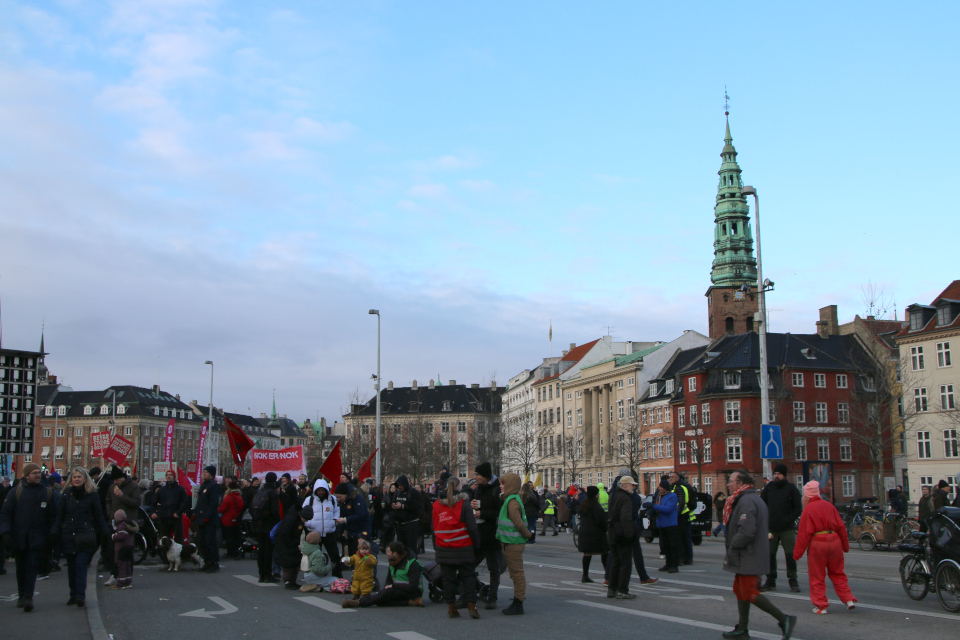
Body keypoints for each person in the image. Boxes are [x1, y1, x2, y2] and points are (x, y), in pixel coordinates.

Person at [721, 470, 797, 640]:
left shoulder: (746, 501)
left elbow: (746, 531)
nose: (728, 484)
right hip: (748, 554)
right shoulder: (749, 498)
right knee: (739, 590)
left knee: (748, 591)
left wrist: (733, 546)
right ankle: (742, 628)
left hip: (749, 554)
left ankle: (784, 619)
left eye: (731, 481)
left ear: (740, 484)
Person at [0, 462, 58, 612]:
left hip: (38, 537)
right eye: (34, 473)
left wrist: (52, 534)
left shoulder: (46, 492)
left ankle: (28, 597)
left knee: (32, 567)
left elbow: (53, 516)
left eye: (39, 472)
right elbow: (6, 513)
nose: (38, 475)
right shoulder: (16, 492)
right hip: (19, 537)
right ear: (27, 476)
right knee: (21, 568)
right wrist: (5, 532)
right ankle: (21, 595)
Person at [793, 480, 856, 614]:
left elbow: (803, 534)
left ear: (806, 496)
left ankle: (821, 605)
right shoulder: (829, 506)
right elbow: (841, 527)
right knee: (838, 573)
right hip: (835, 540)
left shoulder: (808, 509)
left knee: (817, 575)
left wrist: (797, 554)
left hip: (818, 542)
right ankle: (848, 599)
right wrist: (845, 546)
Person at [52, 467, 108, 607]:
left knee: (80, 566)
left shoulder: (92, 495)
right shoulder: (66, 495)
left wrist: (105, 531)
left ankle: (80, 595)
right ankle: (73, 593)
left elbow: (98, 515)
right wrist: (55, 531)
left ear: (85, 479)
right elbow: (60, 515)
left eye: (79, 477)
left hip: (85, 534)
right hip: (68, 535)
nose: (76, 479)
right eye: (74, 477)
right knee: (71, 567)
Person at [431, 477, 481, 618]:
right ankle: (472, 606)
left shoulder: (436, 505)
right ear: (460, 488)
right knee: (468, 577)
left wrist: (437, 546)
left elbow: (433, 527)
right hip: (463, 546)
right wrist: (476, 544)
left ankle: (451, 607)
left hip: (443, 547)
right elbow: (472, 528)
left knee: (448, 579)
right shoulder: (464, 505)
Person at [760, 464, 803, 593]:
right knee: (770, 555)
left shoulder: (791, 488)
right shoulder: (769, 488)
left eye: (779, 473)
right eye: (775, 473)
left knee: (790, 555)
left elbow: (797, 508)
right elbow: (762, 504)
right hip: (771, 528)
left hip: (787, 528)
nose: (776, 476)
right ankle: (770, 580)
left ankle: (793, 580)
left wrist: (789, 519)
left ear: (784, 475)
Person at [496, 473, 533, 615]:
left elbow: (517, 523)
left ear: (510, 485)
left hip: (513, 543)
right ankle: (518, 599)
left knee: (517, 573)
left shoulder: (512, 501)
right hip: (511, 542)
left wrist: (528, 535)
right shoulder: (512, 499)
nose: (501, 486)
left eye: (503, 483)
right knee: (515, 573)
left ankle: (518, 602)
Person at [355, 541, 425, 608]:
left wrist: (393, 586)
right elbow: (389, 579)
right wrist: (386, 588)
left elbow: (413, 587)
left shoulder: (412, 564)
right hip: (399, 590)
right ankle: (411, 602)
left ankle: (359, 602)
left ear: (395, 554)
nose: (387, 553)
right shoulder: (393, 562)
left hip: (413, 592)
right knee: (381, 600)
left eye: (388, 551)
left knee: (384, 595)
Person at [472, 461, 503, 609]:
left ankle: (492, 596)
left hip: (492, 535)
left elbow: (500, 513)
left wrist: (482, 512)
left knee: (493, 568)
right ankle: (476, 589)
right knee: (469, 565)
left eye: (477, 475)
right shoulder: (478, 489)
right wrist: (474, 507)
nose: (475, 477)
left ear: (485, 476)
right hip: (479, 534)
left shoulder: (496, 490)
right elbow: (479, 506)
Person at [302, 478, 343, 578]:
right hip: (314, 532)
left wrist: (334, 521)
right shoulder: (309, 500)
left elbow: (336, 511)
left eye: (322, 490)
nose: (321, 492)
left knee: (334, 555)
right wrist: (308, 524)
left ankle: (337, 575)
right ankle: (315, 574)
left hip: (329, 532)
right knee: (315, 556)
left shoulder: (332, 499)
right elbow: (303, 513)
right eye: (319, 490)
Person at [606, 477, 638, 599]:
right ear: (624, 485)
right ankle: (622, 590)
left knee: (615, 562)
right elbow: (625, 518)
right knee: (625, 563)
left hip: (613, 532)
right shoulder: (625, 498)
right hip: (622, 533)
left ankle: (612, 589)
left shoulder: (613, 495)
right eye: (632, 485)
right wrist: (629, 534)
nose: (634, 487)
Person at [251, 472, 281, 583]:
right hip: (269, 525)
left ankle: (261, 575)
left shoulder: (260, 491)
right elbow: (275, 511)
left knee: (261, 550)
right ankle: (268, 575)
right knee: (268, 551)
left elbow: (252, 508)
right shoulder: (272, 493)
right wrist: (278, 523)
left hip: (259, 524)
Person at [577, 486, 609, 583]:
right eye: (598, 493)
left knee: (587, 554)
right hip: (595, 532)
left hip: (584, 531)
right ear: (595, 495)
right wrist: (605, 528)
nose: (599, 495)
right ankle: (608, 575)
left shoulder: (584, 503)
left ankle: (585, 575)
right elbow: (599, 519)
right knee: (605, 552)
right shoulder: (595, 505)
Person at [195, 465, 223, 573]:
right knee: (202, 542)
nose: (203, 474)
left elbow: (213, 503)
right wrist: (195, 513)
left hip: (209, 519)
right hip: (201, 518)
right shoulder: (204, 485)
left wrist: (208, 516)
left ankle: (213, 562)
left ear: (211, 474)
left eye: (205, 472)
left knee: (210, 541)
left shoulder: (213, 486)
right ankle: (206, 561)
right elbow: (200, 502)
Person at [275, 504, 309, 590]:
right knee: (288, 564)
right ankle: (288, 581)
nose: (305, 521)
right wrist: (292, 542)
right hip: (286, 544)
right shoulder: (292, 518)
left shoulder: (297, 518)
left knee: (295, 562)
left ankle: (293, 581)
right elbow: (285, 533)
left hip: (292, 543)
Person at [334, 481, 372, 556]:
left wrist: (346, 520)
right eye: (337, 497)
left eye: (340, 497)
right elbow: (342, 516)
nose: (338, 499)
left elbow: (361, 515)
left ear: (346, 494)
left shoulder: (357, 499)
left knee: (358, 553)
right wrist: (340, 532)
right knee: (351, 554)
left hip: (361, 530)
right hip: (351, 531)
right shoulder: (343, 502)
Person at [151, 470, 189, 543]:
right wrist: (153, 512)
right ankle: (165, 554)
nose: (168, 476)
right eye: (167, 475)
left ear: (174, 477)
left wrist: (178, 512)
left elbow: (186, 503)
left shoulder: (180, 489)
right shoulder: (161, 490)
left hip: (176, 518)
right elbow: (153, 502)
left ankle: (178, 554)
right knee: (165, 540)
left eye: (171, 475)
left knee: (178, 538)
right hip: (164, 518)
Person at [652, 478, 680, 573]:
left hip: (670, 524)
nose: (659, 488)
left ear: (665, 488)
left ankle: (674, 565)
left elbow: (668, 509)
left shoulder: (672, 496)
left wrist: (654, 506)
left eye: (661, 486)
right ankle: (668, 563)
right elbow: (657, 508)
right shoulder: (659, 496)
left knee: (673, 545)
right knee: (665, 545)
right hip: (662, 524)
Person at [668, 471, 694, 565]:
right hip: (684, 515)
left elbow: (681, 502)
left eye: (672, 477)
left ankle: (682, 558)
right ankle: (688, 558)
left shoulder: (679, 487)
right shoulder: (682, 486)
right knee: (686, 538)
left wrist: (676, 514)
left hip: (681, 516)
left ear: (677, 478)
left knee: (680, 538)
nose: (670, 479)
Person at [392, 475, 421, 556]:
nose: (400, 487)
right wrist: (393, 506)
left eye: (401, 485)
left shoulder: (414, 493)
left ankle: (412, 564)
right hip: (400, 524)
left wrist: (402, 506)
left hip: (411, 523)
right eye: (398, 486)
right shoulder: (397, 493)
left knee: (411, 547)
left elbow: (417, 506)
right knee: (400, 547)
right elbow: (393, 501)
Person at [111, 509, 137, 589]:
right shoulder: (130, 525)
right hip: (130, 547)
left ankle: (121, 583)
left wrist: (114, 536)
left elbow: (122, 536)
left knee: (121, 565)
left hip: (122, 548)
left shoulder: (122, 526)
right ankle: (128, 582)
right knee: (128, 564)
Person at [219, 479, 244, 559]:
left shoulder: (229, 497)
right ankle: (235, 551)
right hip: (236, 519)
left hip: (227, 519)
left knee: (228, 537)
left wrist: (216, 509)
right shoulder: (239, 496)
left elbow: (222, 509)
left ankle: (230, 552)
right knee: (235, 536)